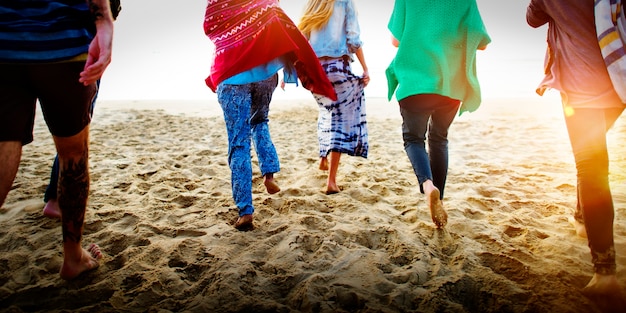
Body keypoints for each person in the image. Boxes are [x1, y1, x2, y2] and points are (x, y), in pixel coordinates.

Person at [0, 0, 114, 280]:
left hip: (4, 41)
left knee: (3, 144)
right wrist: (104, 21)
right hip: (64, 41)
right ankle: (73, 257)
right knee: (73, 154)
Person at [203, 0, 336, 230]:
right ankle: (269, 174)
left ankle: (245, 211)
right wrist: (289, 67)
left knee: (238, 142)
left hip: (232, 75)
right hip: (265, 75)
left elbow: (211, 26)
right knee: (260, 122)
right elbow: (279, 27)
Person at [527, 0, 626, 307]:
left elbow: (532, 18)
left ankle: (605, 272)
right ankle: (582, 216)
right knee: (590, 156)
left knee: (590, 164)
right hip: (618, 79)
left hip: (581, 87)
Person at [385, 0, 490, 229]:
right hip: (450, 84)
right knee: (439, 138)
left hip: (416, 81)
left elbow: (395, 40)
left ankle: (427, 186)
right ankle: (439, 199)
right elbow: (480, 43)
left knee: (414, 139)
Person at [42, 0, 122, 220]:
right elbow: (106, 8)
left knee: (11, 138)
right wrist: (105, 22)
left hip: (28, 48)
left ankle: (55, 197)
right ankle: (56, 201)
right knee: (74, 141)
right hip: (75, 51)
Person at [297, 0, 370, 195]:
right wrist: (365, 68)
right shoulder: (345, 2)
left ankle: (323, 156)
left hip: (315, 71)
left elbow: (301, 40)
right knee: (341, 120)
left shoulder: (311, 4)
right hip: (338, 67)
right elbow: (354, 40)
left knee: (326, 111)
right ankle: (331, 181)